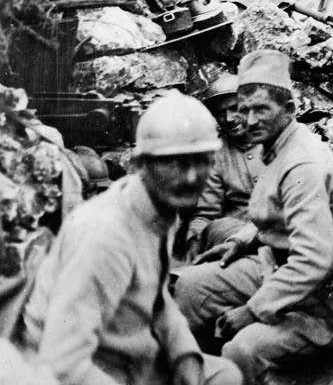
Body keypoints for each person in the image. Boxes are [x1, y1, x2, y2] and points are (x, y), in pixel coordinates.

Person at [20, 90, 243, 385]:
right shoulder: (106, 236)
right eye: (174, 162)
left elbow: (158, 299)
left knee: (224, 375)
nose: (191, 176)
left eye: (201, 160)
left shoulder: (160, 208)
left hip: (130, 358)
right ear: (140, 165)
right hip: (77, 371)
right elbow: (63, 364)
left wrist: (185, 357)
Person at [174, 50, 333, 385]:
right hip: (279, 267)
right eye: (244, 110)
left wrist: (252, 311)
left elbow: (316, 258)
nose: (249, 120)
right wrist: (241, 239)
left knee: (242, 348)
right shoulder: (274, 148)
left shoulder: (302, 164)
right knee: (190, 287)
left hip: (325, 298)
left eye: (262, 109)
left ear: (289, 110)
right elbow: (279, 218)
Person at [184, 74, 270, 260]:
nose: (229, 118)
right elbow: (206, 213)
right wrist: (195, 238)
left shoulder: (275, 139)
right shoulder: (216, 154)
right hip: (234, 238)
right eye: (220, 113)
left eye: (235, 108)